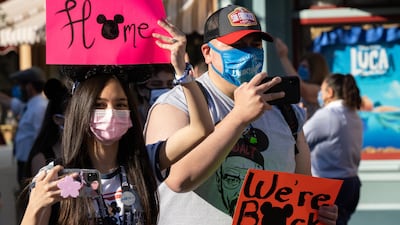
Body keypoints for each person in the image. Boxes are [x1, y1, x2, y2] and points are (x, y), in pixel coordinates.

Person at [145, 4, 338, 225]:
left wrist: (317, 213)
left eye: (254, 44)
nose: (248, 53)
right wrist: (239, 117)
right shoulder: (177, 104)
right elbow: (179, 179)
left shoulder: (286, 111)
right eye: (237, 45)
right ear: (208, 53)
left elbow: (302, 188)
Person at [20, 19, 213, 225]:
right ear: (81, 112)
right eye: (100, 105)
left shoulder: (144, 164)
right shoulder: (55, 176)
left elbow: (201, 128)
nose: (111, 113)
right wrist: (35, 206)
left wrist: (182, 71)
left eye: (120, 105)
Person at [303, 73, 363, 225]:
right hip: (352, 184)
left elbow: (299, 140)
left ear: (329, 92)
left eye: (322, 91)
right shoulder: (353, 114)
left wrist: (299, 117)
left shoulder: (327, 115)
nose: (320, 95)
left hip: (330, 186)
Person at [0, 67, 48, 187]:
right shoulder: (30, 105)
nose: (18, 89)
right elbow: (9, 102)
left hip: (31, 164)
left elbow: (41, 140)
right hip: (24, 162)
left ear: (29, 87)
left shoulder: (39, 108)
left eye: (21, 85)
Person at [274, 37, 330, 118]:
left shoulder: (320, 90)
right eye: (300, 66)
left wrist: (283, 57)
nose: (300, 69)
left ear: (315, 70)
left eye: (304, 67)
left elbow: (302, 89)